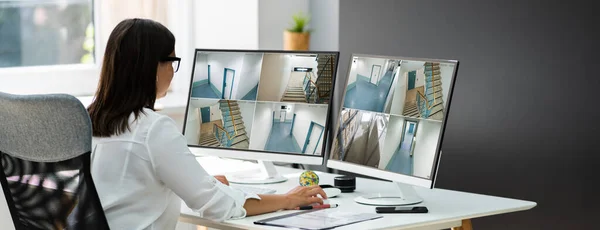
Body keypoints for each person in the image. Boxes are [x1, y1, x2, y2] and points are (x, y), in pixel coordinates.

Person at [87, 18, 327, 230]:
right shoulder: (153, 128)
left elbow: (130, 187)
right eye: (171, 61)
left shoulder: (87, 121)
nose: (173, 70)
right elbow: (217, 206)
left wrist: (199, 181)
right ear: (151, 67)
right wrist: (288, 200)